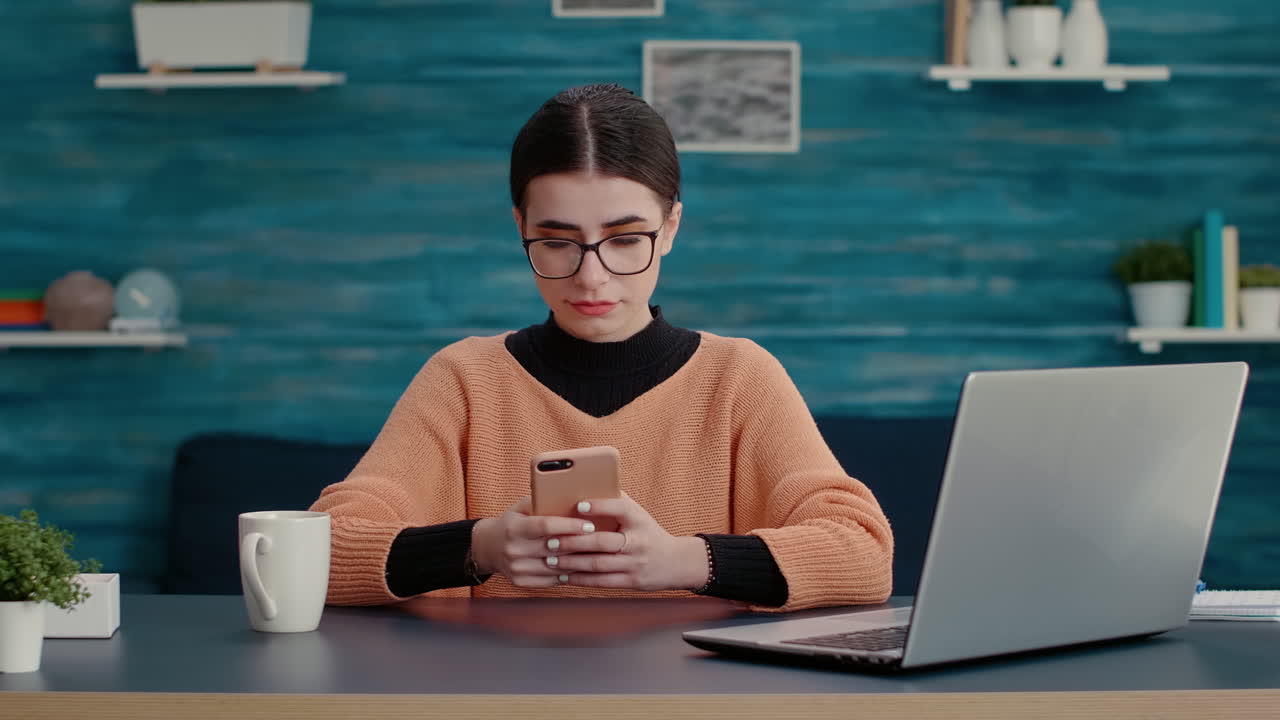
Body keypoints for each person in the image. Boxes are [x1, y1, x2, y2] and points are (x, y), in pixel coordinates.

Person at [309, 83, 893, 612]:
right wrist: (479, 547)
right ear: (520, 228)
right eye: (557, 242)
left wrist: (683, 562)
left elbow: (865, 553)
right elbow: (314, 551)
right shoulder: (463, 380)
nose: (592, 278)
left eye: (625, 239)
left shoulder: (739, 378)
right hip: (493, 685)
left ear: (670, 228)